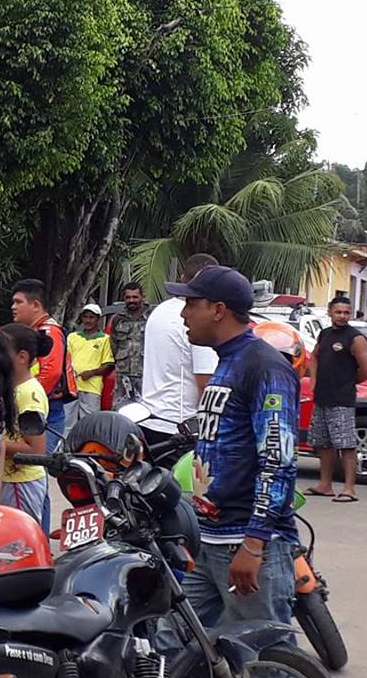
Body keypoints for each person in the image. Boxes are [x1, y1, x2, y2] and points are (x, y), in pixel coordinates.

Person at [170, 265, 299, 626]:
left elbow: (278, 460)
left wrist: (254, 543)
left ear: (218, 310)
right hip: (208, 539)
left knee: (262, 650)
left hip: (246, 542)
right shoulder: (227, 362)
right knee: (176, 640)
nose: (183, 315)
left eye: (191, 304)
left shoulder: (265, 367)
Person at [139, 253, 220, 434]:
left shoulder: (159, 311)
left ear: (182, 278)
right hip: (181, 425)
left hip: (150, 418)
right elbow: (206, 384)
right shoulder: (201, 319)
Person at [304, 294, 367, 502]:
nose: (342, 316)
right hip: (322, 398)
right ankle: (325, 485)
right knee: (323, 444)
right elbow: (314, 357)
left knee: (346, 445)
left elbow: (365, 370)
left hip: (342, 400)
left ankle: (349, 489)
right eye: (338, 312)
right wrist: (314, 380)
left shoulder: (356, 338)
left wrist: (347, 382)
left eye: (346, 313)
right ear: (330, 312)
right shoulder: (324, 334)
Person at [9, 278, 75, 450]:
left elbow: (51, 373)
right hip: (40, 406)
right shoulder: (37, 330)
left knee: (35, 457)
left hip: (44, 409)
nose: (13, 307)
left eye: (18, 302)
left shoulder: (48, 332)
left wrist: (27, 398)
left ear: (36, 305)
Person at [0, 323, 50, 526]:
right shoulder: (12, 389)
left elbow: (36, 450)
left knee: (19, 536)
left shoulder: (28, 394)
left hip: (20, 483)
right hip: (10, 481)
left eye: (2, 351)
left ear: (22, 357)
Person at [67, 303, 113, 428]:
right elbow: (66, 359)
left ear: (98, 320)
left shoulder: (105, 339)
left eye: (91, 317)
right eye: (85, 317)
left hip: (91, 388)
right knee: (67, 424)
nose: (88, 320)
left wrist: (91, 373)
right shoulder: (73, 337)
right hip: (71, 387)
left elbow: (108, 365)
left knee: (89, 424)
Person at [107, 282, 149, 407]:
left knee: (145, 410)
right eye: (128, 297)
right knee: (120, 410)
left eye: (135, 297)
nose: (131, 300)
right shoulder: (118, 319)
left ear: (142, 297)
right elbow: (114, 345)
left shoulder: (152, 317)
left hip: (146, 375)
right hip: (123, 376)